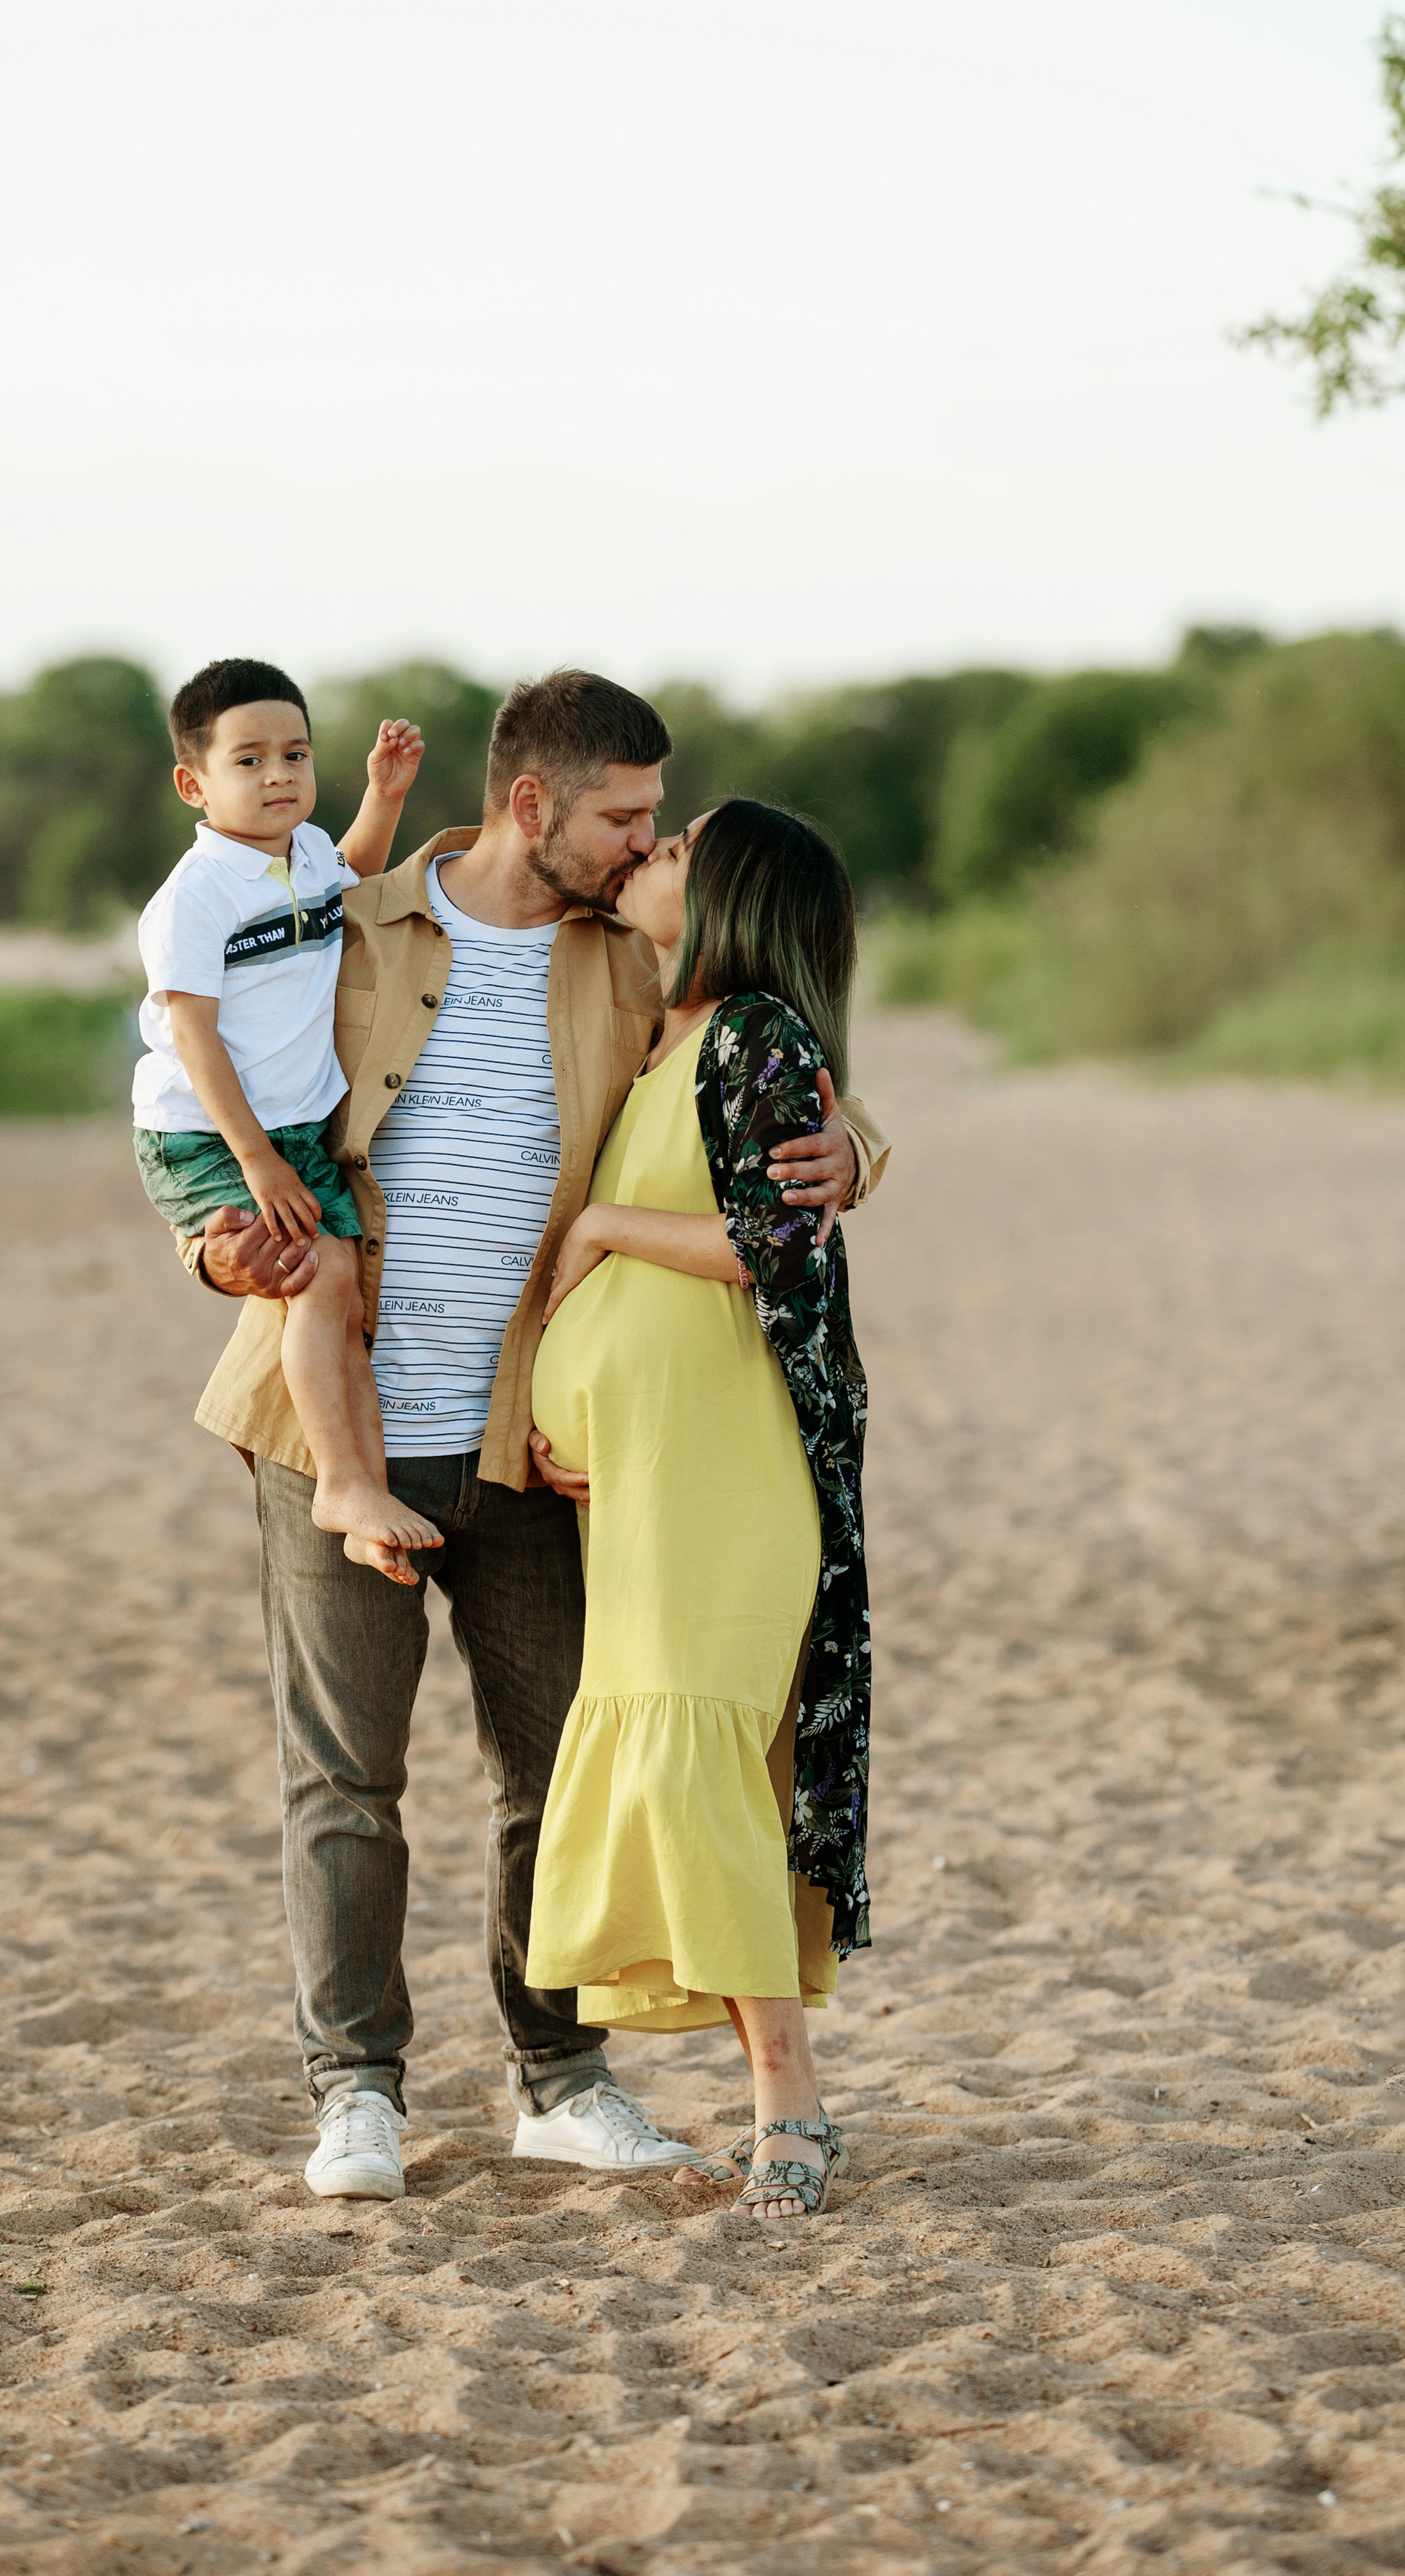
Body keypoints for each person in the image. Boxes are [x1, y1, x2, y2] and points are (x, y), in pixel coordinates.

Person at [177, 674, 889, 2202]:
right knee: (343, 1778)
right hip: (336, 1424)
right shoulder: (345, 923)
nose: (642, 845)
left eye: (656, 822)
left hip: (527, 1447)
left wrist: (858, 1149)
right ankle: (355, 2094)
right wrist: (214, 1245)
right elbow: (206, 1092)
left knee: (555, 1767)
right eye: (624, 817)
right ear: (528, 804)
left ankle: (559, 2080)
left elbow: (765, 1063)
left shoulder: (628, 956)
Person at [524, 799, 871, 2221]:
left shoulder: (754, 1033)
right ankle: (779, 2091)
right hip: (646, 1476)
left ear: (728, 892)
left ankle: (790, 2099)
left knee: (697, 1766)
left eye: (679, 847)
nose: (652, 853)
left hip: (727, 1462)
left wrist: (601, 1233)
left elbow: (773, 1243)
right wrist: (567, 1395)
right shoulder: (661, 1029)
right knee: (688, 1774)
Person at [132, 657, 440, 1575]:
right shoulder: (196, 895)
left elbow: (353, 876)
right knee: (320, 1278)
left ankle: (363, 1496)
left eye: (295, 754)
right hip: (207, 1134)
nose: (278, 775)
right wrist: (258, 1162)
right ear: (194, 783)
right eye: (250, 759)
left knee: (343, 1298)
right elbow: (193, 1038)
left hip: (293, 1131)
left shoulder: (306, 853)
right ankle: (340, 1482)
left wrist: (385, 796)